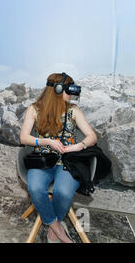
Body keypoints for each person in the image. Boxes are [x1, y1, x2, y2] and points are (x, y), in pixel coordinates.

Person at [19, 72, 97, 243]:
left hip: (68, 162)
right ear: (58, 89)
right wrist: (45, 141)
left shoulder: (73, 110)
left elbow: (92, 136)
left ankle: (53, 229)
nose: (72, 94)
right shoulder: (34, 109)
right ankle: (59, 231)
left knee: (62, 192)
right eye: (69, 90)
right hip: (43, 161)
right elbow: (24, 138)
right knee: (36, 188)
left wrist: (78, 146)